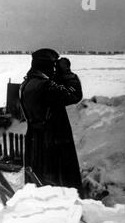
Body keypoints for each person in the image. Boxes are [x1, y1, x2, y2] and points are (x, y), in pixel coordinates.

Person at [19, 48, 84, 197]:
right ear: (49, 66)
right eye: (54, 66)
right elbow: (74, 94)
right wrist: (66, 72)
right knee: (59, 186)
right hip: (52, 143)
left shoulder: (27, 84)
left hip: (36, 141)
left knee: (40, 185)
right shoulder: (45, 86)